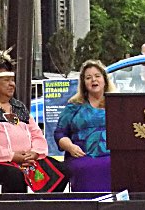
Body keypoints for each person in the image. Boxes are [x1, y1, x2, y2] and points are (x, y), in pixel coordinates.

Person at [0, 41, 69, 193]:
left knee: (61, 171)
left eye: (12, 80)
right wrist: (12, 156)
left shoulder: (19, 107)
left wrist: (35, 153)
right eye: (6, 81)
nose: (12, 84)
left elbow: (36, 134)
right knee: (15, 176)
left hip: (28, 159)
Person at [54, 60, 113, 192]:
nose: (93, 80)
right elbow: (59, 134)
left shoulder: (116, 103)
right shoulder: (74, 106)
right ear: (84, 83)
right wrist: (70, 147)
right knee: (85, 167)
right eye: (88, 77)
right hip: (82, 155)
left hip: (111, 155)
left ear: (105, 80)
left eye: (97, 76)